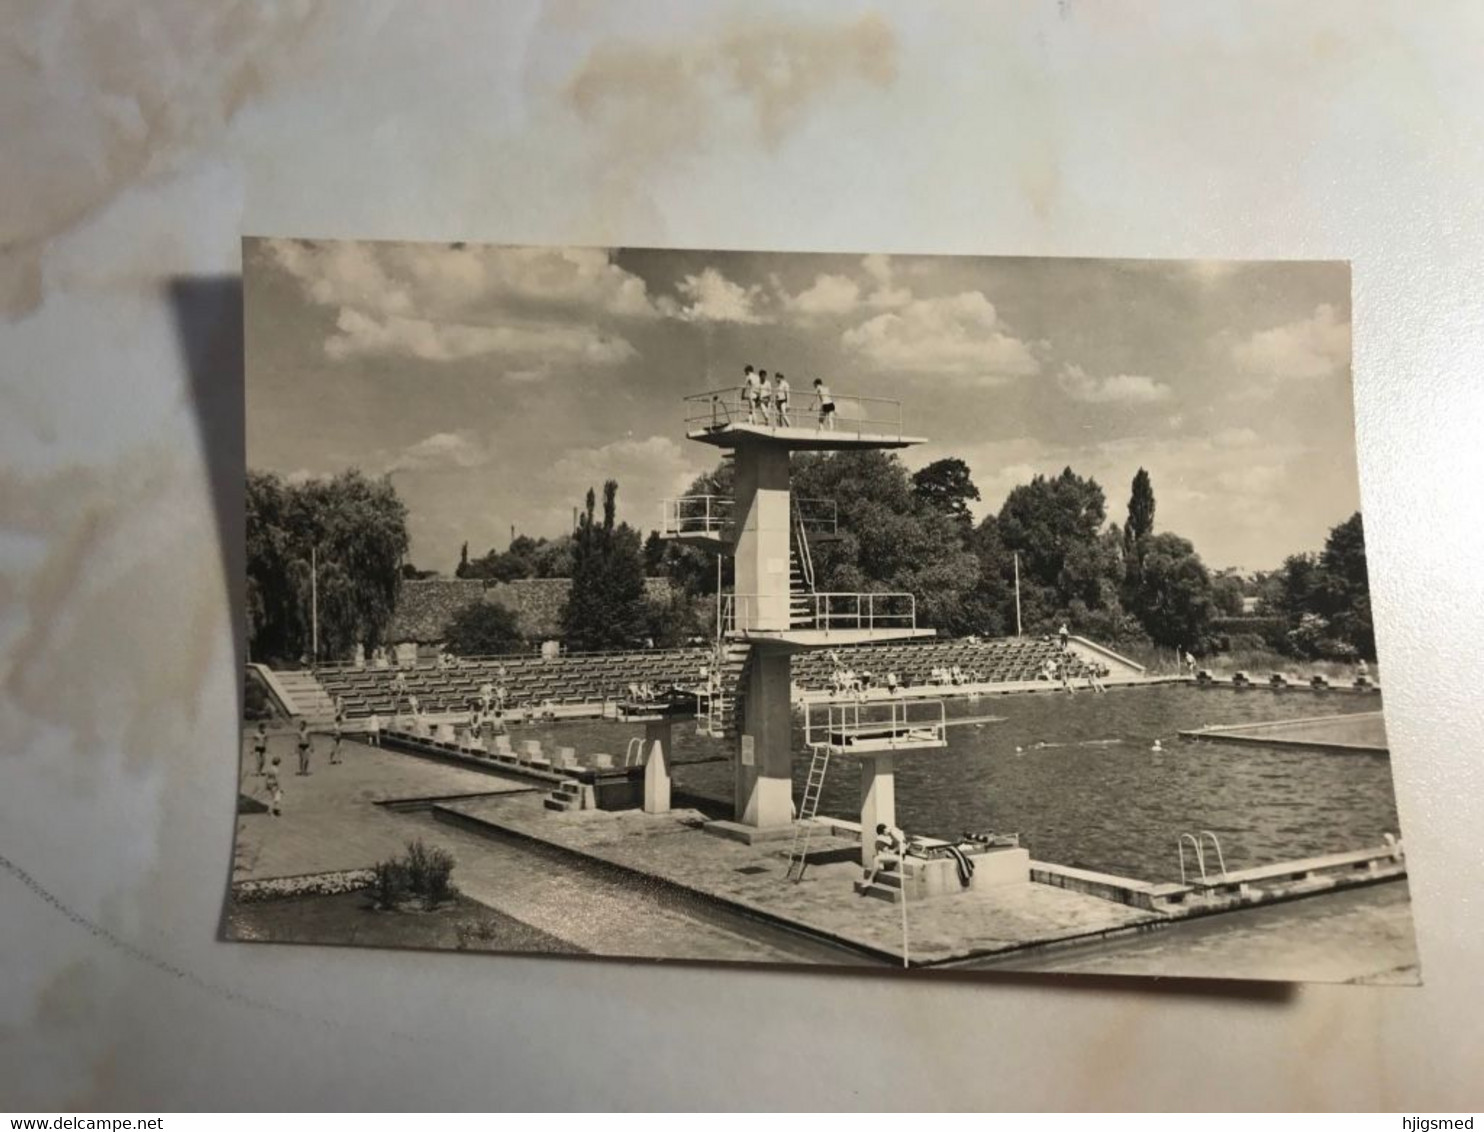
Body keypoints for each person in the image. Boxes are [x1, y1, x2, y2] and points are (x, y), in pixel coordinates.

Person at [864, 822, 910, 887]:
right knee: (877, 849)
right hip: (896, 853)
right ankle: (871, 878)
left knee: (877, 858)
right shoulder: (891, 833)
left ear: (884, 830)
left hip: (899, 856)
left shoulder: (894, 833)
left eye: (883, 833)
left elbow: (904, 844)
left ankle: (870, 880)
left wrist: (893, 851)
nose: (884, 835)